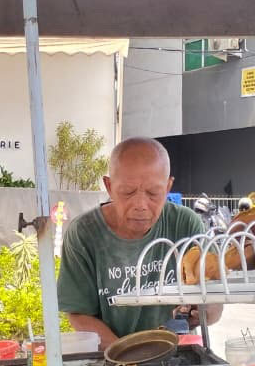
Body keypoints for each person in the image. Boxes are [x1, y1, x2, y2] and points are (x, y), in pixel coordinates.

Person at [57, 137, 223, 349]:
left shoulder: (186, 225)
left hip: (176, 354)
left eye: (153, 193)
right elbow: (79, 314)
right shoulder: (84, 233)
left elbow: (215, 304)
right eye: (128, 192)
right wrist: (126, 354)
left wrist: (203, 310)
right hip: (112, 357)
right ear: (109, 186)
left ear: (168, 186)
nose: (141, 205)